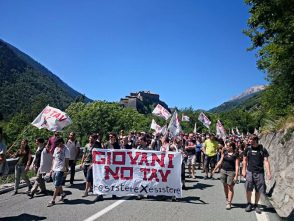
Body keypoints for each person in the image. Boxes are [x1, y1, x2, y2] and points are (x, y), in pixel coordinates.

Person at [242, 134, 272, 214]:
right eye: (249, 139)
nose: (249, 141)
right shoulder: (247, 149)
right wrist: (243, 170)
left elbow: (266, 161)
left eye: (250, 139)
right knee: (248, 188)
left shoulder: (262, 149)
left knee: (258, 189)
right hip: (250, 171)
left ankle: (255, 205)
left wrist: (268, 172)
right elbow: (244, 160)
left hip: (259, 172)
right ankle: (248, 203)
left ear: (255, 140)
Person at [212, 142, 240, 210]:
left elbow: (237, 166)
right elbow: (220, 161)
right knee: (225, 186)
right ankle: (227, 198)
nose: (226, 147)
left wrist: (236, 175)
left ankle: (229, 203)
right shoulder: (224, 153)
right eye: (226, 145)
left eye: (227, 146)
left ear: (231, 147)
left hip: (231, 172)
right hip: (223, 171)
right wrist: (214, 169)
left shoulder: (235, 154)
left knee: (230, 187)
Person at [47, 138, 69, 207]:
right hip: (55, 168)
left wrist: (66, 169)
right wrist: (51, 168)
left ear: (61, 142)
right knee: (57, 183)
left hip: (61, 169)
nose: (57, 145)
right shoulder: (56, 148)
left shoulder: (66, 149)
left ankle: (53, 200)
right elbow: (54, 158)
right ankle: (62, 194)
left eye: (58, 143)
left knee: (56, 185)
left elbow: (67, 160)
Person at [81, 134, 97, 198]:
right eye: (89, 138)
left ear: (94, 139)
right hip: (86, 163)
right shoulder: (86, 145)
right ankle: (91, 187)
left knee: (88, 177)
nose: (90, 139)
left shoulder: (96, 146)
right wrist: (82, 163)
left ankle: (86, 191)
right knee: (87, 176)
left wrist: (93, 163)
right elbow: (84, 155)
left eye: (91, 138)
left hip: (91, 164)